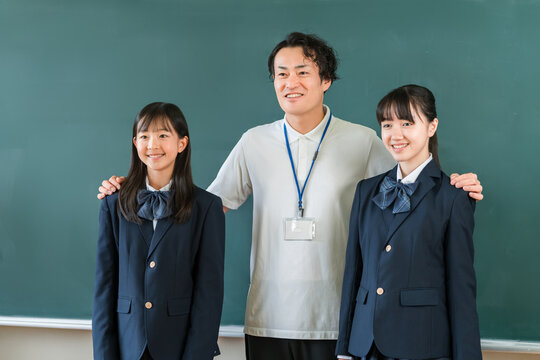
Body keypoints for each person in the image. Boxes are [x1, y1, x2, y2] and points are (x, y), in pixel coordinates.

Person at [97, 33, 483, 360]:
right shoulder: (254, 141)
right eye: (281, 74)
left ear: (325, 80)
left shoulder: (364, 140)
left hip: (338, 321)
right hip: (268, 318)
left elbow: (410, 184)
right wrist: (128, 186)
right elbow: (197, 207)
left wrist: (454, 183)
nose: (290, 81)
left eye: (303, 71)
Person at [336, 85, 482, 360]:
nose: (395, 134)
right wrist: (344, 349)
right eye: (387, 124)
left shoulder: (453, 197)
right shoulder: (366, 191)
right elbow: (354, 273)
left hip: (422, 346)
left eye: (407, 123)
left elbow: (461, 289)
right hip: (364, 346)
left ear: (431, 126)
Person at [92, 102, 225, 360]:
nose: (152, 145)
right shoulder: (112, 204)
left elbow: (209, 294)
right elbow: (104, 288)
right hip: (125, 345)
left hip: (180, 346)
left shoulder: (206, 207)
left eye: (163, 135)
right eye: (144, 136)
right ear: (135, 143)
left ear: (182, 143)